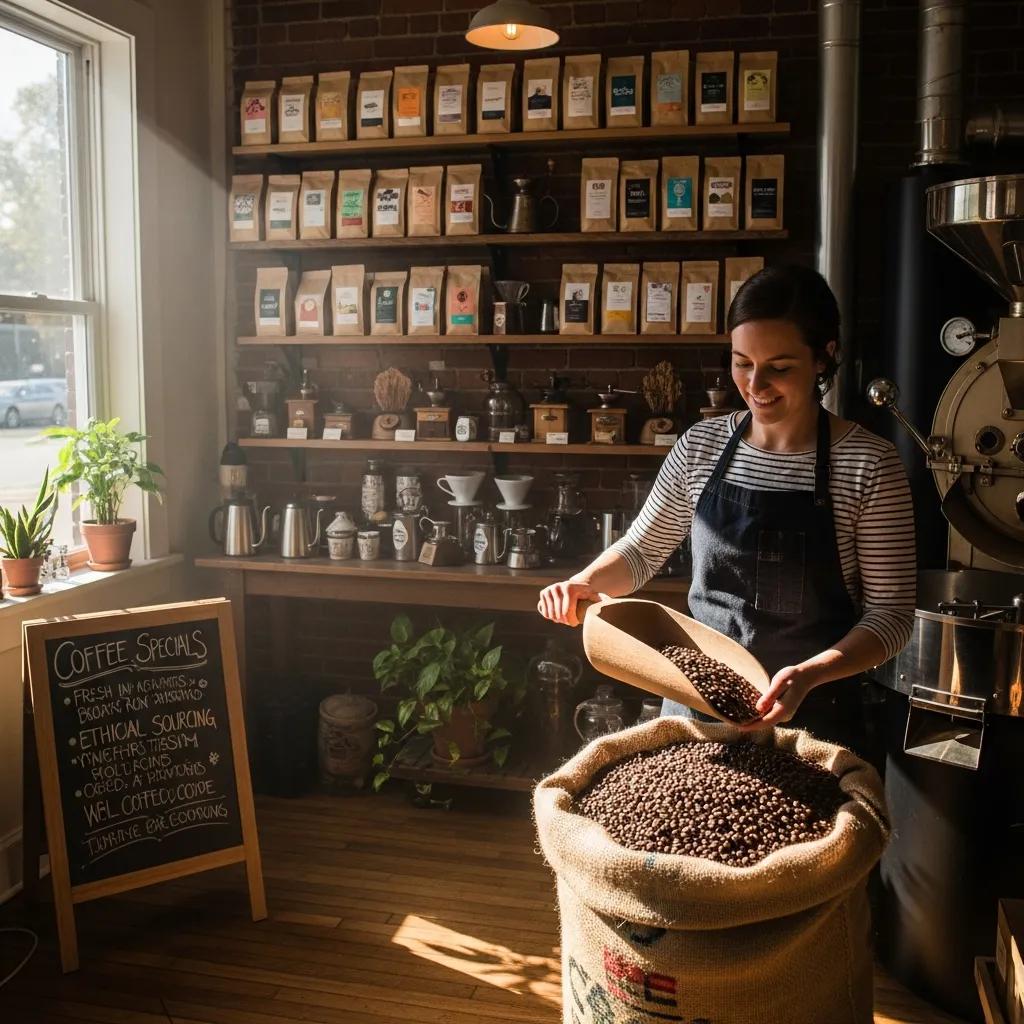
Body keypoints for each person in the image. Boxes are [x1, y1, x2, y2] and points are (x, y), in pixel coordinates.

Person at [537, 265, 916, 754]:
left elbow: (891, 616)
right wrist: (585, 583)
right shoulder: (701, 447)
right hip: (696, 712)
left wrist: (809, 674)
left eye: (779, 367)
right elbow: (641, 552)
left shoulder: (868, 464)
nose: (756, 384)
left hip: (814, 721)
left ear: (825, 358)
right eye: (742, 363)